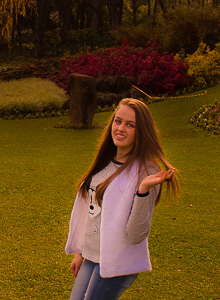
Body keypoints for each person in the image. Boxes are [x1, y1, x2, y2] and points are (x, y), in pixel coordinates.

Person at [65, 97, 180, 300]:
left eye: (130, 125)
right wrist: (81, 251)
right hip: (91, 255)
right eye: (118, 121)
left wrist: (143, 189)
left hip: (116, 261)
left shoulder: (147, 170)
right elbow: (94, 212)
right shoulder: (106, 161)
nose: (120, 128)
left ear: (141, 131)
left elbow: (136, 234)